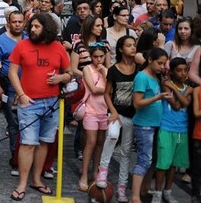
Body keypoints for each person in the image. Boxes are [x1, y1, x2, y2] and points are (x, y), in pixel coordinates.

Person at [8, 13, 71, 201]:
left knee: (44, 142)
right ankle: (21, 184)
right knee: (27, 143)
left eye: (36, 26)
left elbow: (69, 73)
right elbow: (12, 73)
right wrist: (22, 96)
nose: (32, 29)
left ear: (47, 28)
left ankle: (36, 180)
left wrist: (61, 78)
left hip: (52, 103)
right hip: (30, 103)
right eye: (32, 26)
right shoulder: (22, 45)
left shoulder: (58, 47)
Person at [96, 35, 137, 202]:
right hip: (115, 112)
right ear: (121, 49)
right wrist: (112, 112)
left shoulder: (139, 68)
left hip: (132, 115)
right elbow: (107, 93)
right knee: (112, 135)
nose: (133, 48)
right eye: (128, 45)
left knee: (126, 151)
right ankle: (103, 170)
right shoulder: (113, 69)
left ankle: (122, 187)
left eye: (134, 45)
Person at [131, 47, 171, 203]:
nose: (162, 67)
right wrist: (158, 97)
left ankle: (143, 189)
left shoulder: (155, 77)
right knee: (144, 160)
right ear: (150, 60)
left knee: (151, 159)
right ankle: (134, 197)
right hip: (144, 125)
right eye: (159, 63)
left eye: (164, 64)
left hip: (154, 124)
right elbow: (137, 103)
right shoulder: (142, 77)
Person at [153, 57, 192, 203]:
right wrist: (179, 91)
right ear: (172, 72)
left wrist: (175, 88)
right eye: (178, 70)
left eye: (185, 70)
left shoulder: (188, 87)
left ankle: (167, 192)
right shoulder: (165, 86)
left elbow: (185, 103)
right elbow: (176, 106)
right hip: (167, 128)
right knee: (163, 163)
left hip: (182, 129)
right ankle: (157, 193)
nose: (182, 73)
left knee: (173, 164)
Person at [0, 10, 26, 176]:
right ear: (9, 22)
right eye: (15, 22)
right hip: (10, 88)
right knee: (13, 123)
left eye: (20, 21)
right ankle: (15, 156)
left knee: (27, 122)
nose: (18, 24)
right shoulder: (1, 41)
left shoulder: (29, 38)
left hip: (29, 87)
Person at [78, 45, 109, 192]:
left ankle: (95, 171)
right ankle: (84, 174)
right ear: (91, 57)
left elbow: (113, 88)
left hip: (104, 110)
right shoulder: (87, 69)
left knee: (100, 142)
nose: (98, 60)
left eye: (101, 56)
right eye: (95, 56)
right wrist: (107, 90)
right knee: (90, 141)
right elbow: (95, 89)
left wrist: (104, 72)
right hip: (90, 110)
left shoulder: (107, 71)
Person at [166, 17, 201, 85]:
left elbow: (194, 72)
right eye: (180, 28)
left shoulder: (197, 48)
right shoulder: (170, 45)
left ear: (191, 30)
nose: (182, 31)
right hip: (171, 83)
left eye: (186, 28)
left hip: (190, 85)